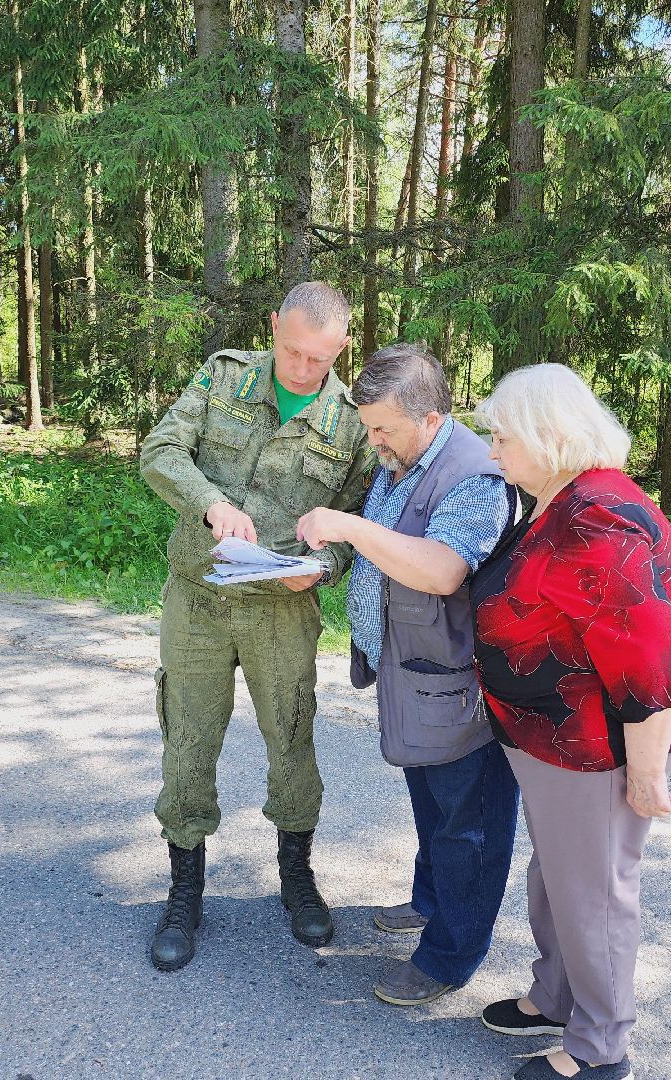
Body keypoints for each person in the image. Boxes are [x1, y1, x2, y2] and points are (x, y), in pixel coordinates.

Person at [138, 281, 375, 973]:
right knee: (187, 741)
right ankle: (185, 891)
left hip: (282, 611)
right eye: (291, 351)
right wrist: (211, 504)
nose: (303, 369)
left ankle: (296, 877)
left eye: (318, 358)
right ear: (272, 327)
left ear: (341, 348)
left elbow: (364, 521)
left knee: (292, 740)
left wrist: (326, 565)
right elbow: (160, 451)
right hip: (200, 599)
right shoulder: (223, 377)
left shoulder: (353, 422)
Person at [468, 364, 671, 1080]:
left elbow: (653, 659)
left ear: (551, 436)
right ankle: (557, 995)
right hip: (550, 741)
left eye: (502, 438)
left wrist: (648, 772)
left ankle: (601, 1049)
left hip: (593, 748)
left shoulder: (597, 515)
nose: (493, 452)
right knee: (560, 879)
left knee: (595, 893)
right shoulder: (561, 500)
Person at [296, 343, 519, 1007]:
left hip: (458, 687)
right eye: (368, 427)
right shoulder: (405, 455)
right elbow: (386, 550)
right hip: (414, 674)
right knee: (432, 804)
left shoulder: (474, 474)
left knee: (467, 823)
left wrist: (347, 527)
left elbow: (440, 568)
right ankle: (431, 901)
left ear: (428, 418)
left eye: (382, 428)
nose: (373, 441)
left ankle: (450, 955)